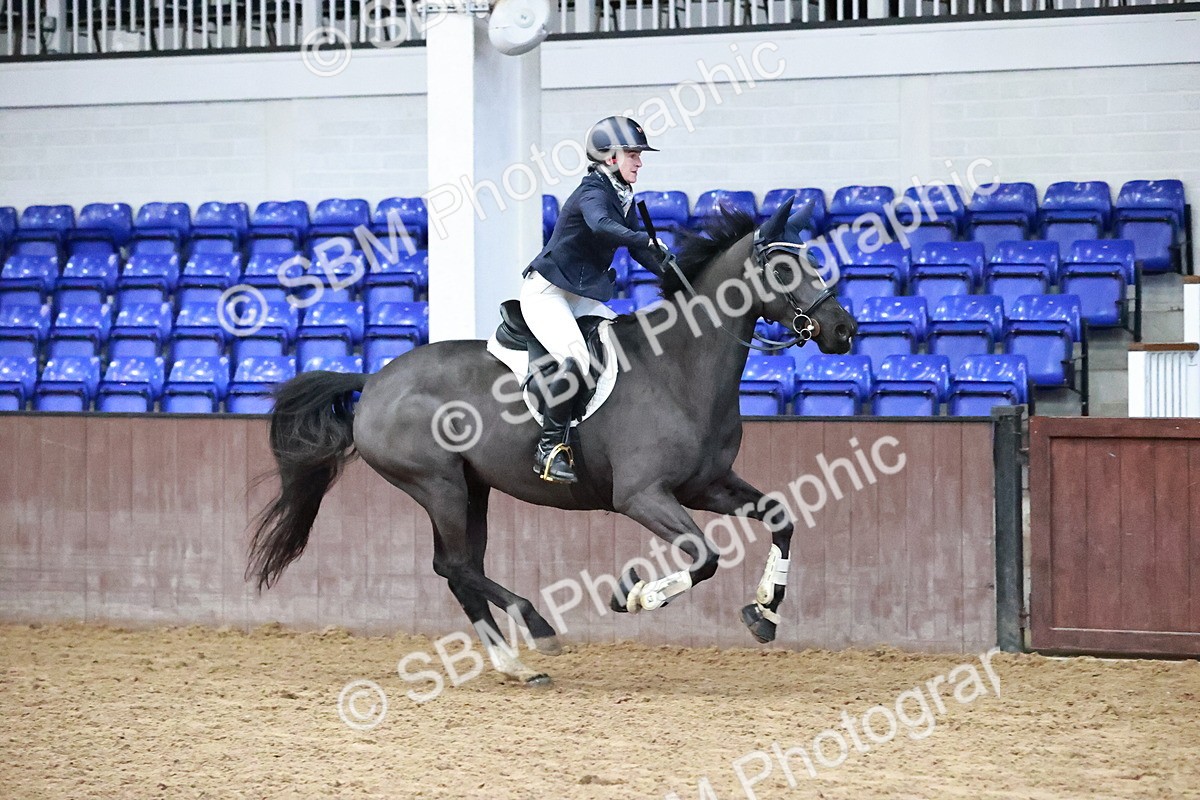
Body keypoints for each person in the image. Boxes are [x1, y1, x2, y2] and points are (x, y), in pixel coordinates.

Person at [520, 116, 676, 484]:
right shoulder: (594, 192)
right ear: (610, 158)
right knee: (575, 359)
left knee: (625, 344)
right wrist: (642, 240)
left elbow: (641, 251)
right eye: (633, 154)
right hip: (548, 294)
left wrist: (674, 271)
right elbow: (600, 225)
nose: (639, 162)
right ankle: (549, 449)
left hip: (579, 296)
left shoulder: (622, 194)